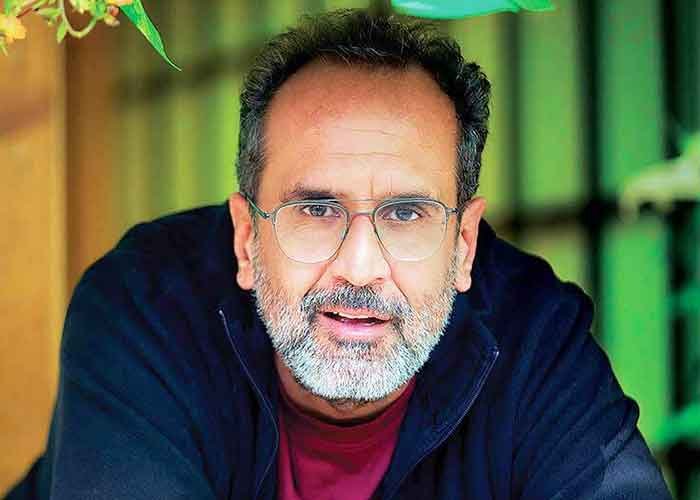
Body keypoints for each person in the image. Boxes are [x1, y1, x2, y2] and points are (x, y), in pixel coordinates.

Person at [7, 9, 671, 500]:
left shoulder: (533, 334)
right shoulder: (148, 305)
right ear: (246, 238)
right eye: (317, 209)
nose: (359, 267)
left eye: (406, 214)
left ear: (464, 247)